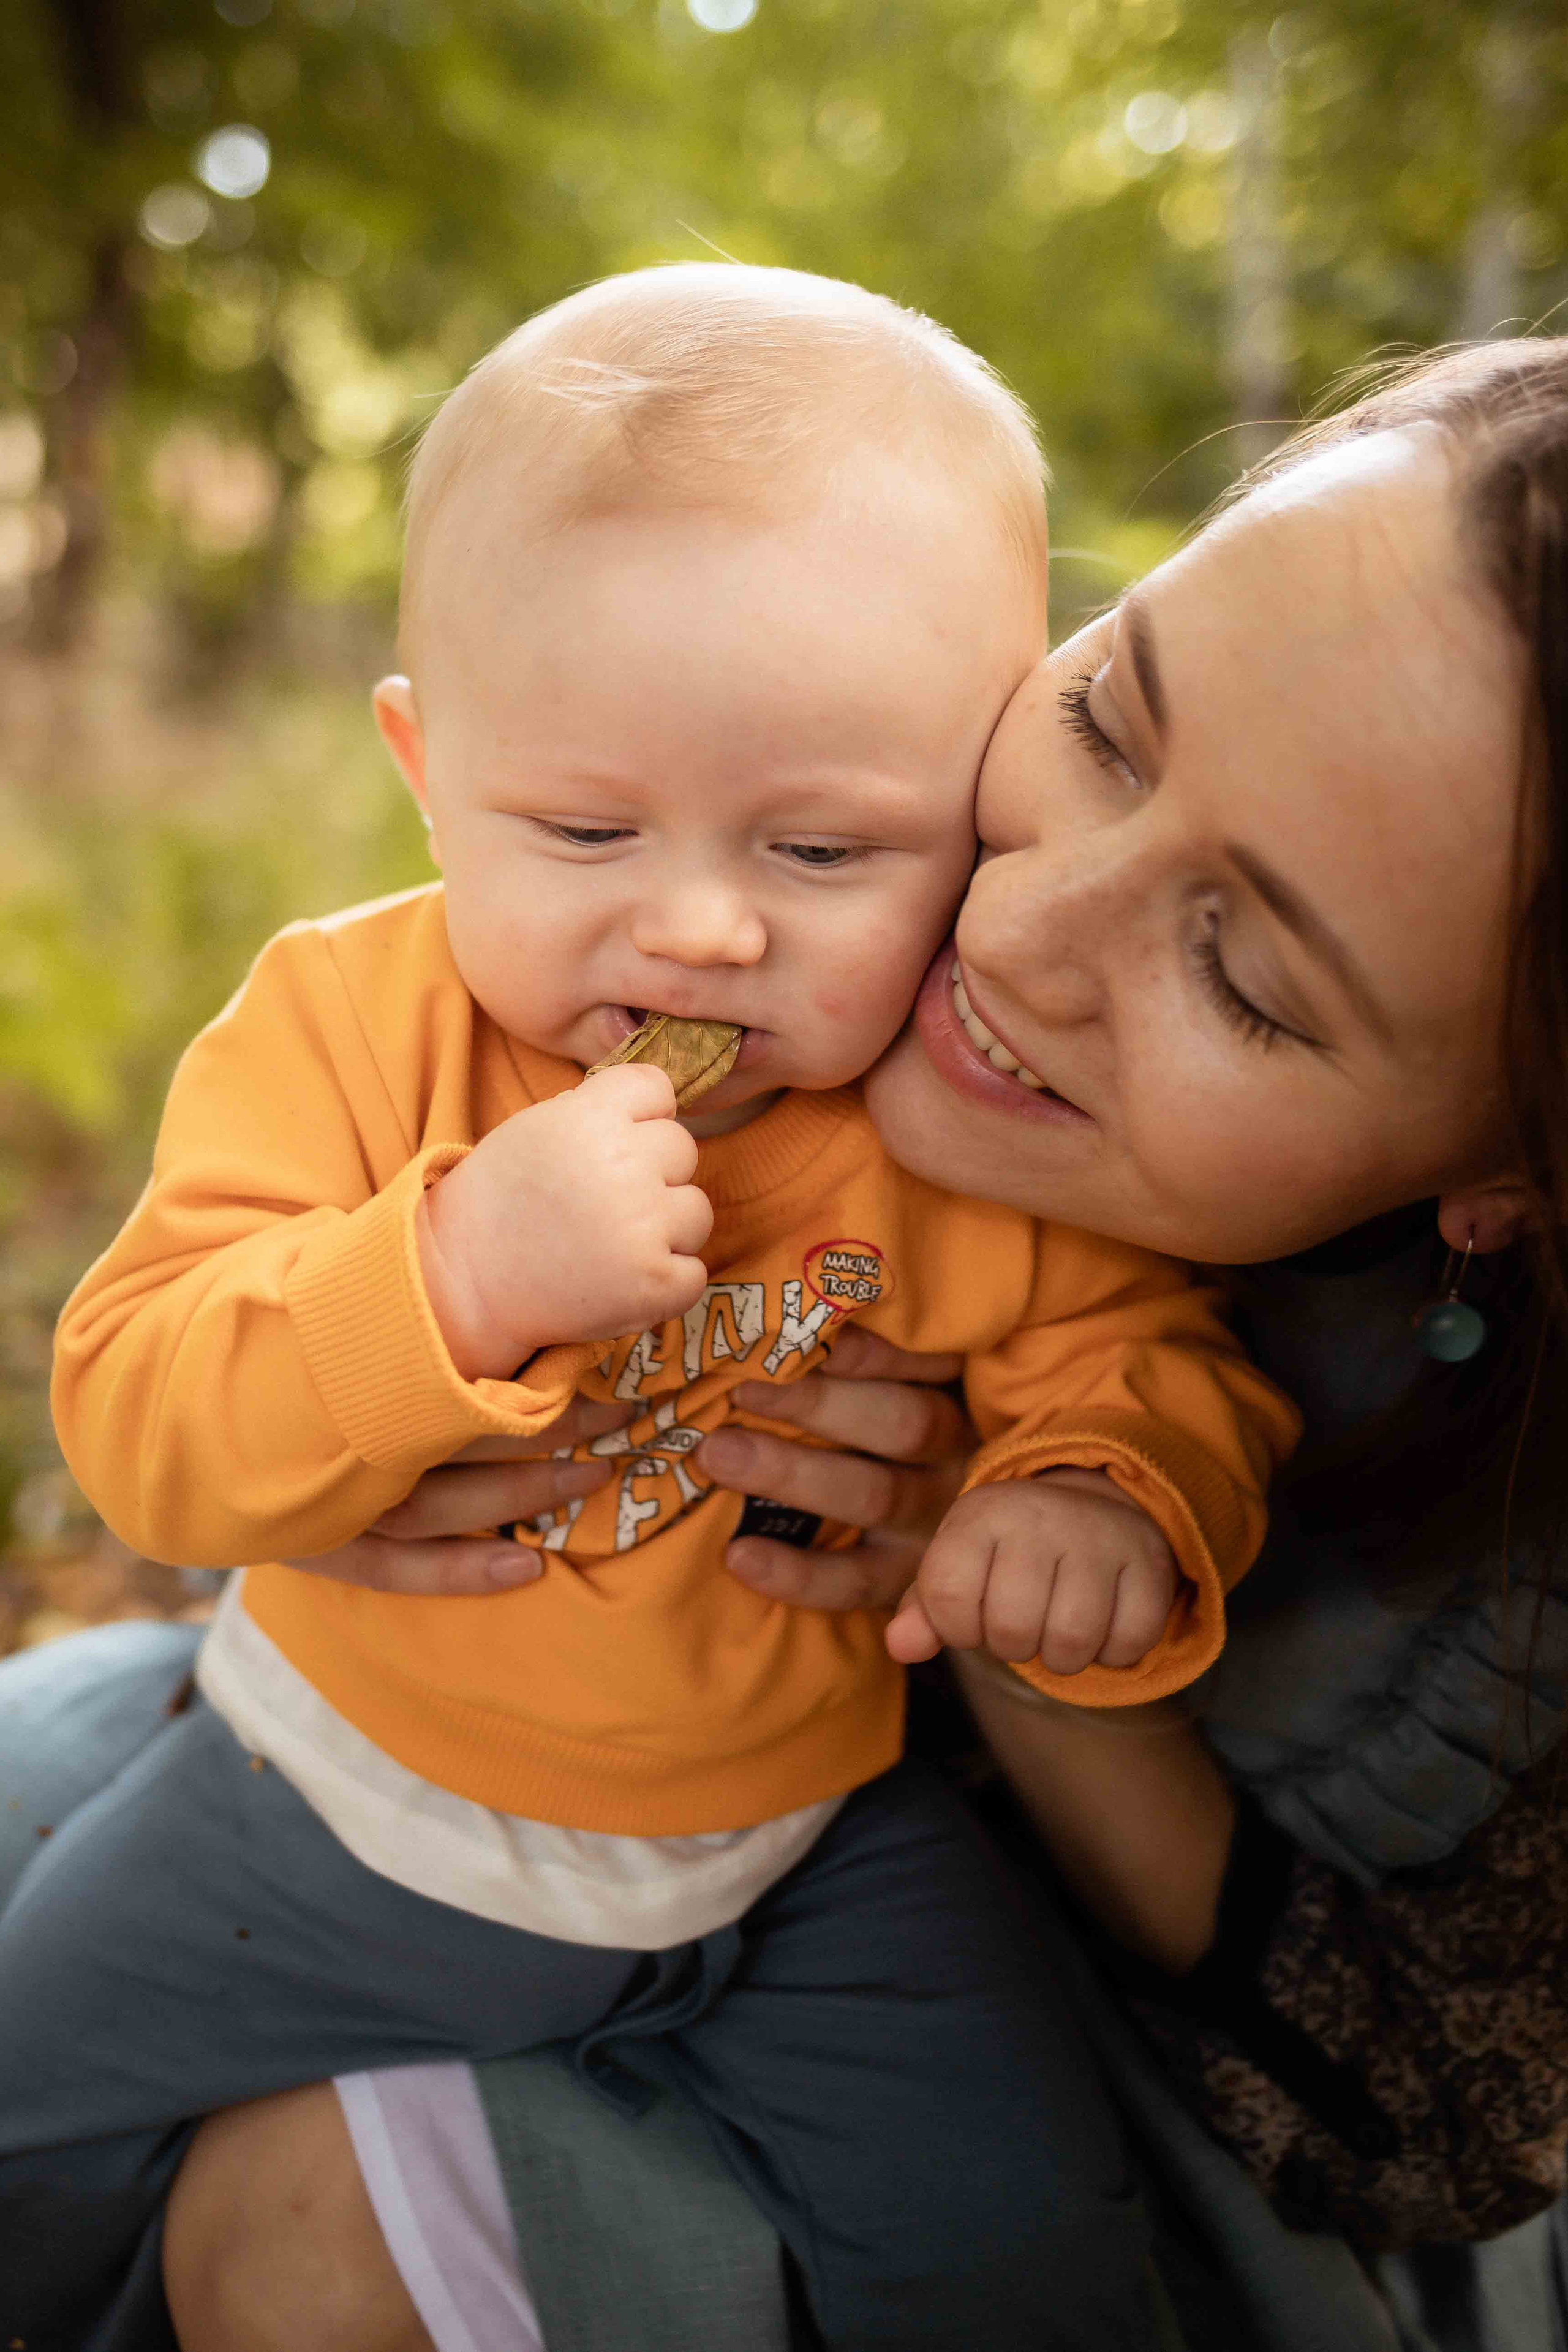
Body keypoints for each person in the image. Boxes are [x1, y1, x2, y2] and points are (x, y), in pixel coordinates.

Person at [135, 328, 1568, 2352]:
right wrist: (373, 1380)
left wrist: (1018, 1592)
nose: (1004, 929)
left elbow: (1416, 2119)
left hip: (1051, 2019)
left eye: (1241, 974)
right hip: (464, 1789)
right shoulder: (798, 864)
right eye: (1106, 716)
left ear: (1511, 1177)